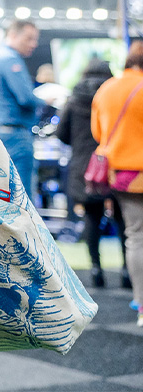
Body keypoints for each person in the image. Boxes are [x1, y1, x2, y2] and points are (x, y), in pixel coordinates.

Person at [57, 57, 128, 288]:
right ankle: (127, 272)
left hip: (85, 167)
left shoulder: (73, 98)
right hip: (115, 164)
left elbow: (62, 134)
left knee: (91, 217)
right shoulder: (114, 96)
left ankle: (96, 271)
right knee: (122, 219)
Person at [91, 41, 143, 326]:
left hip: (122, 176)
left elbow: (98, 132)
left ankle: (141, 304)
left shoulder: (107, 88)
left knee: (135, 236)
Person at [0, 19, 41, 202]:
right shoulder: (10, 59)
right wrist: (44, 100)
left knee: (2, 198)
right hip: (15, 136)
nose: (33, 44)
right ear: (13, 35)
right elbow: (26, 98)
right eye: (29, 38)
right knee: (22, 200)